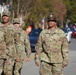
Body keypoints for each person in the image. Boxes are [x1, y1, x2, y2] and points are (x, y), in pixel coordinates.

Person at [1, 10, 16, 75]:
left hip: (10, 55)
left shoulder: (13, 28)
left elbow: (17, 42)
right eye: (3, 16)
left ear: (9, 17)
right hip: (0, 54)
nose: (4, 17)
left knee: (7, 73)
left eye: (6, 16)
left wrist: (18, 55)